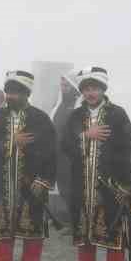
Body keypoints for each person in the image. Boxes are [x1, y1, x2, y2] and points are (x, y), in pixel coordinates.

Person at [60, 67, 131, 261]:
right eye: (86, 89)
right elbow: (65, 146)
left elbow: (128, 150)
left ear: (103, 89)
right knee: (84, 233)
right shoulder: (75, 116)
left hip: (112, 186)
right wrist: (86, 136)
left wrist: (129, 185)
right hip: (81, 186)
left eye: (95, 88)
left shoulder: (118, 115)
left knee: (114, 231)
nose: (91, 93)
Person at [0, 71, 57, 261]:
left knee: (32, 230)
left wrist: (44, 181)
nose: (9, 96)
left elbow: (51, 153)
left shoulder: (40, 119)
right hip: (2, 184)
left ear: (26, 93)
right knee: (3, 228)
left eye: (14, 92)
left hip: (31, 184)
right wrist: (10, 142)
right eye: (8, 92)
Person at [50, 72, 81, 226]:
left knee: (73, 188)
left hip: (72, 155)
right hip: (58, 154)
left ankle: (78, 221)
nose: (63, 88)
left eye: (66, 85)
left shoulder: (79, 104)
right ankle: (72, 219)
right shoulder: (58, 104)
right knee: (63, 188)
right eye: (62, 85)